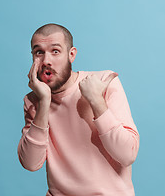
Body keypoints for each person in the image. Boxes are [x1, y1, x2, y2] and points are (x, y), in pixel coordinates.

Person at [17, 23, 140, 196]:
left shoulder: (103, 82)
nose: (46, 61)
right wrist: (44, 101)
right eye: (39, 52)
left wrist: (97, 101)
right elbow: (31, 163)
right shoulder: (33, 101)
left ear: (71, 54)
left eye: (55, 51)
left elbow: (127, 154)